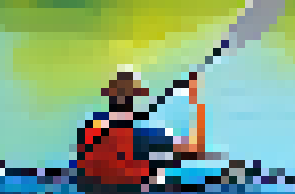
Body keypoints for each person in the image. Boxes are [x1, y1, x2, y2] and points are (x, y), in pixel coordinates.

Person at [72, 66, 211, 187]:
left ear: (109, 95)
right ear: (137, 97)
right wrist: (196, 103)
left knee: (158, 158)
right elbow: (195, 149)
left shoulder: (90, 127)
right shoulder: (144, 133)